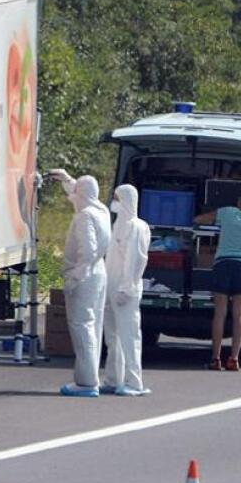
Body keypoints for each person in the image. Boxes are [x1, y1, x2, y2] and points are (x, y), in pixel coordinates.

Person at [49, 169, 112, 397]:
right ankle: (90, 377)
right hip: (98, 273)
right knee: (92, 325)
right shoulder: (100, 209)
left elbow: (88, 250)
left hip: (84, 275)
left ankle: (86, 383)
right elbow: (82, 194)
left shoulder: (85, 216)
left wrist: (75, 277)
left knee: (81, 325)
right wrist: (67, 181)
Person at [194, 188, 241, 371]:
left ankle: (215, 358)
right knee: (238, 314)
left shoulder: (226, 212)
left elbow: (200, 219)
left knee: (220, 313)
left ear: (239, 200)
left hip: (222, 264)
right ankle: (234, 358)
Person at [100, 184, 152, 396]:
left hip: (125, 291)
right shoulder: (118, 225)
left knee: (130, 337)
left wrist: (127, 287)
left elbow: (137, 260)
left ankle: (134, 382)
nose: (115, 203)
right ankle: (113, 379)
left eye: (117, 198)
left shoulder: (137, 227)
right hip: (111, 287)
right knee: (112, 337)